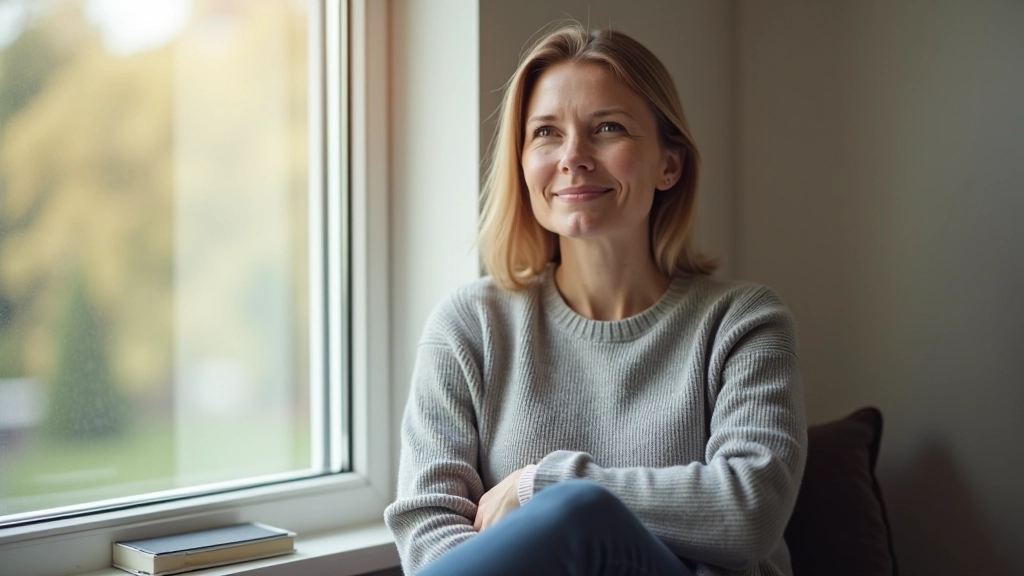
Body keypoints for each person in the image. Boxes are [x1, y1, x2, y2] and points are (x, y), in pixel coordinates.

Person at [384, 23, 807, 576]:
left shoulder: (744, 321)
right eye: (546, 133)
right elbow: (427, 531)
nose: (574, 157)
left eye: (608, 128)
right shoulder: (469, 325)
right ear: (522, 162)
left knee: (579, 509)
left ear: (669, 164)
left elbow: (749, 510)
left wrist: (545, 485)